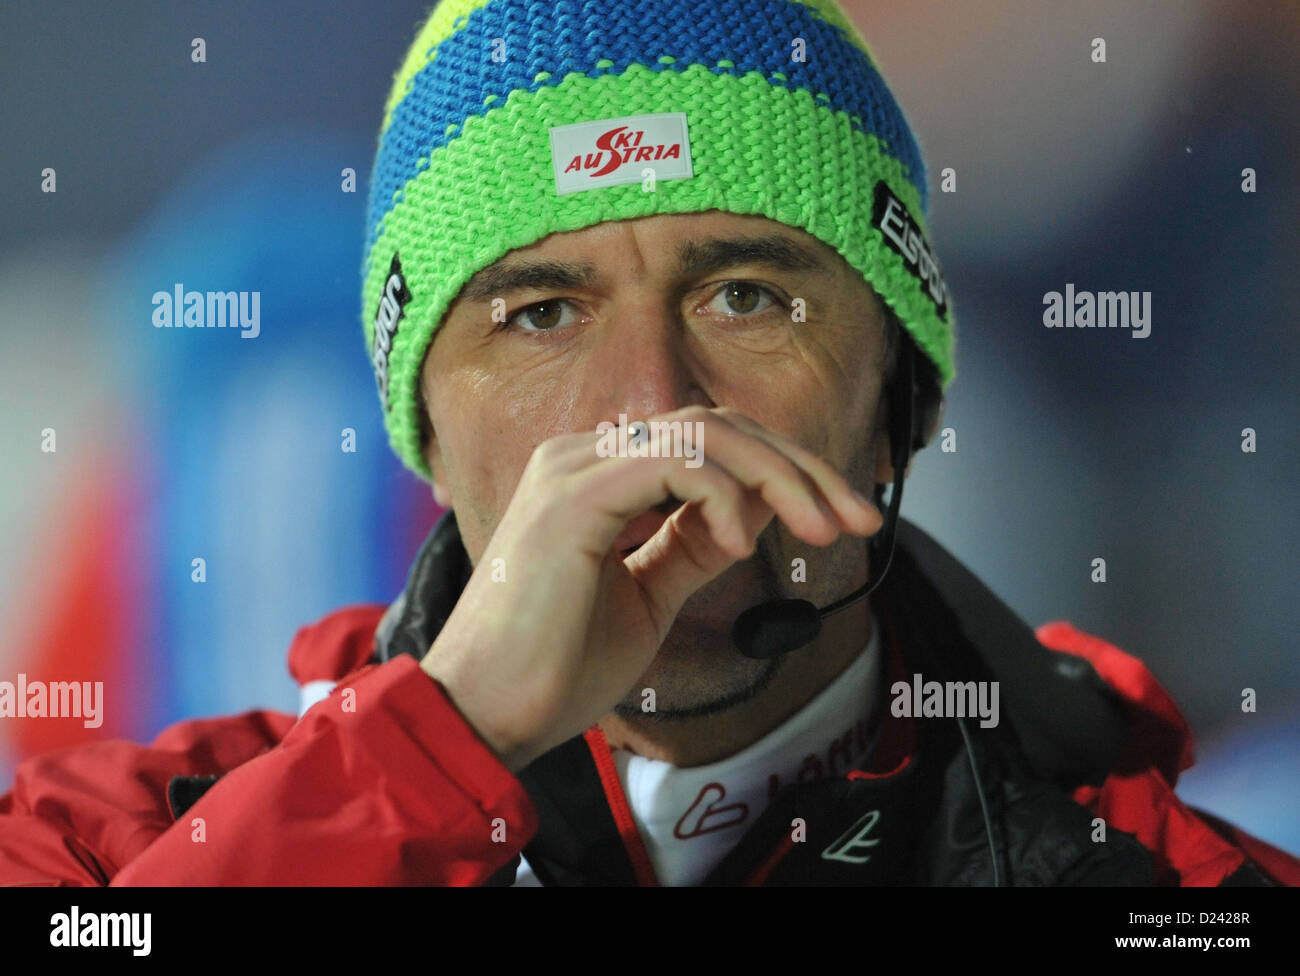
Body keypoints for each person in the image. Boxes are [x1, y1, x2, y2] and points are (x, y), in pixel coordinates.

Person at [1, 0, 1296, 887]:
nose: (653, 409)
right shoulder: (95, 851)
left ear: (911, 399)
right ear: (425, 442)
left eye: (748, 297)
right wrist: (438, 748)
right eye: (542, 314)